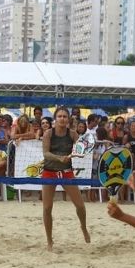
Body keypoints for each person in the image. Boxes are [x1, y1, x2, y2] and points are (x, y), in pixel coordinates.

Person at [41, 107, 91, 251]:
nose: (62, 118)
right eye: (60, 116)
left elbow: (82, 148)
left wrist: (79, 153)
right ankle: (50, 240)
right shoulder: (48, 134)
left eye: (64, 116)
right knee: (47, 208)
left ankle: (83, 227)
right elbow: (46, 154)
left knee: (80, 205)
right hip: (49, 172)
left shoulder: (73, 134)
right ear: (55, 119)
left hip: (66, 172)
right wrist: (59, 158)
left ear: (68, 119)